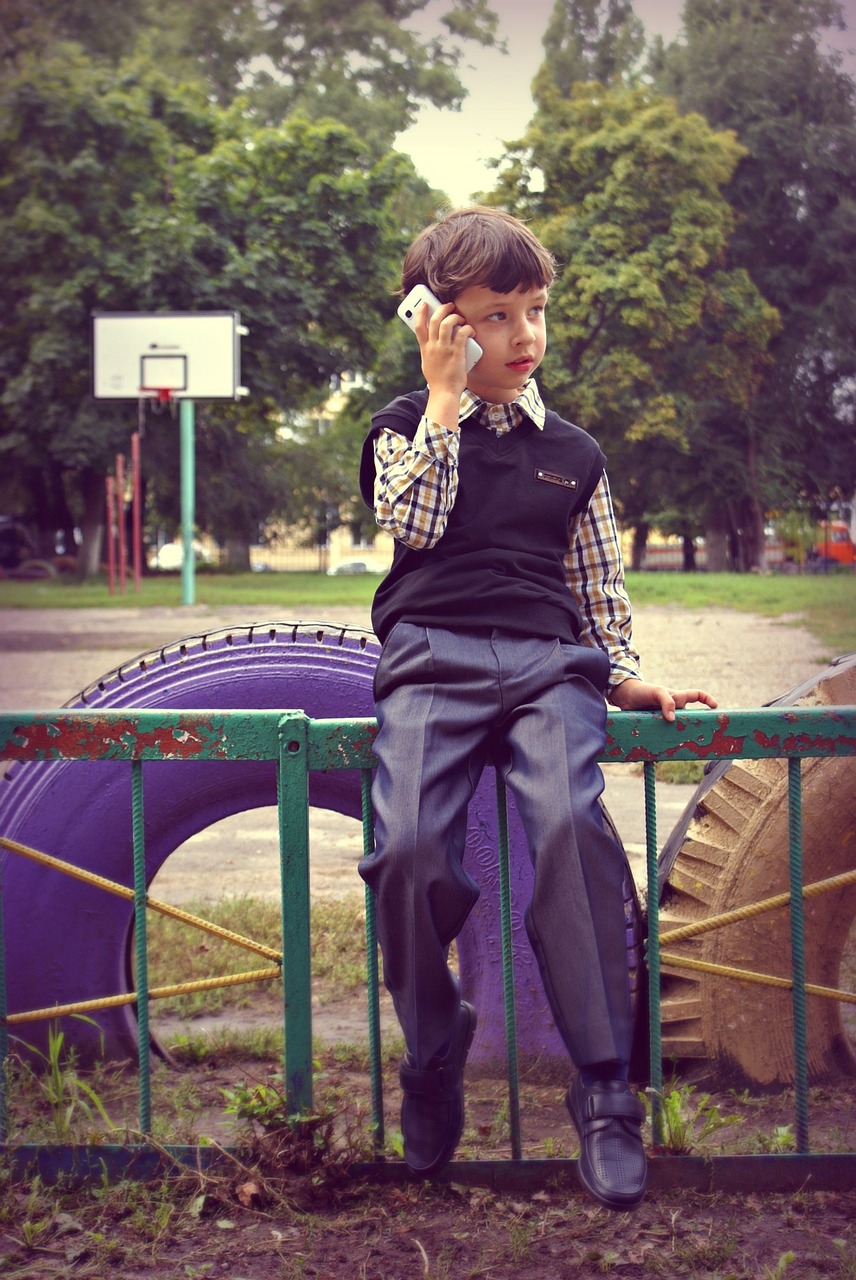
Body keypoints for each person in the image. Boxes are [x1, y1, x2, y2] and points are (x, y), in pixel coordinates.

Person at [357, 206, 716, 1211]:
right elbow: (413, 523)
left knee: (568, 828)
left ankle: (604, 1091)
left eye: (536, 311)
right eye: (496, 316)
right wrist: (441, 396)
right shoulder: (399, 427)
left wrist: (622, 675)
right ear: (438, 322)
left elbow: (597, 588)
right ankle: (434, 1048)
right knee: (407, 849)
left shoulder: (575, 453)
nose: (524, 336)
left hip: (551, 663)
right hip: (430, 659)